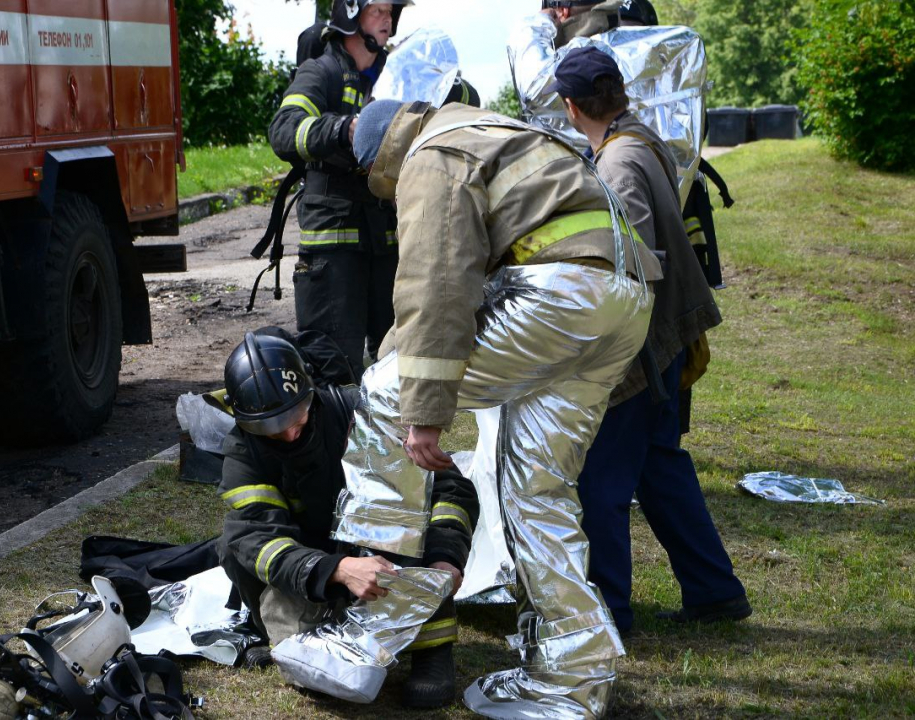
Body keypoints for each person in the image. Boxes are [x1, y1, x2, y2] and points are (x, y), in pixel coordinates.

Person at [330, 98, 662, 717]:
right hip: (623, 300)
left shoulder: (431, 152)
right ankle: (573, 676)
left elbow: (438, 281)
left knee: (382, 392)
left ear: (385, 157)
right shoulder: (498, 131)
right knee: (535, 494)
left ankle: (373, 624)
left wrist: (423, 407)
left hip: (561, 292)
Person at [554, 47, 751, 637]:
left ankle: (609, 615)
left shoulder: (616, 164)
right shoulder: (640, 138)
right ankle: (715, 591)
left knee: (600, 483)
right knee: (660, 468)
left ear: (570, 106)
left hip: (639, 347)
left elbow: (632, 259)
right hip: (664, 337)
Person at [215, 330, 479, 708]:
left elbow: (450, 489)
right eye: (270, 428)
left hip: (380, 552)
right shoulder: (244, 451)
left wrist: (446, 557)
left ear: (311, 389)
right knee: (234, 544)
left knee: (404, 511)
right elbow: (258, 535)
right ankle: (293, 636)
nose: (289, 433)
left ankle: (431, 650)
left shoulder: (360, 412)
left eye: (296, 416)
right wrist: (337, 569)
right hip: (316, 568)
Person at [268, 0, 412, 381]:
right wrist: (343, 129)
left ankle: (398, 441)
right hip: (333, 246)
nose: (387, 19)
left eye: (390, 11)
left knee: (401, 363)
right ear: (350, 14)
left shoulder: (395, 72)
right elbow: (284, 130)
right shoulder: (321, 71)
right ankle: (334, 439)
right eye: (377, 10)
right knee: (334, 369)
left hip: (386, 240)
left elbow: (465, 96)